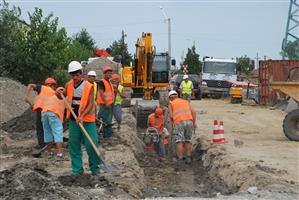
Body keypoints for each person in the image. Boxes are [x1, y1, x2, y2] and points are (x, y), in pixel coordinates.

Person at [57, 61, 100, 175]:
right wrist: (58, 92)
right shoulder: (69, 84)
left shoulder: (89, 86)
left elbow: (91, 104)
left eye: (77, 75)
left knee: (92, 144)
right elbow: (62, 95)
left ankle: (95, 169)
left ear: (81, 73)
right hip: (73, 119)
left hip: (87, 119)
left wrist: (82, 115)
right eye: (72, 75)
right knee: (74, 145)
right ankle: (77, 170)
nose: (75, 77)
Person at [24, 78, 57, 149]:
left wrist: (26, 96)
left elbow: (30, 85)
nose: (54, 88)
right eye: (54, 86)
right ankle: (51, 143)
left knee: (40, 127)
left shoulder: (42, 87)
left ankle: (42, 144)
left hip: (41, 110)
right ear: (51, 85)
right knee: (50, 127)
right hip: (51, 111)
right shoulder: (54, 92)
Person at [168, 90, 196, 164]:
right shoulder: (186, 101)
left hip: (179, 122)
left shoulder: (171, 103)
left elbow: (171, 116)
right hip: (189, 121)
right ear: (177, 96)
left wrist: (173, 122)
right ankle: (188, 157)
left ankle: (180, 159)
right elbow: (193, 112)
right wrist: (194, 123)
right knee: (188, 140)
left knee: (179, 140)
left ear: (170, 98)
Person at [41, 89, 66, 159]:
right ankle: (59, 154)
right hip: (53, 113)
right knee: (58, 132)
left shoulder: (53, 96)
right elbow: (70, 109)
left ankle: (49, 152)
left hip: (44, 113)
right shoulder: (64, 98)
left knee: (47, 132)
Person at [97, 66, 114, 138]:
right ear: (104, 74)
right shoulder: (101, 82)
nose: (110, 75)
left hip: (109, 104)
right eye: (108, 73)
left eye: (110, 73)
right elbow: (101, 93)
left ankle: (108, 133)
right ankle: (106, 135)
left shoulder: (109, 82)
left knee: (109, 120)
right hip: (104, 104)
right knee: (105, 120)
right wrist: (106, 102)